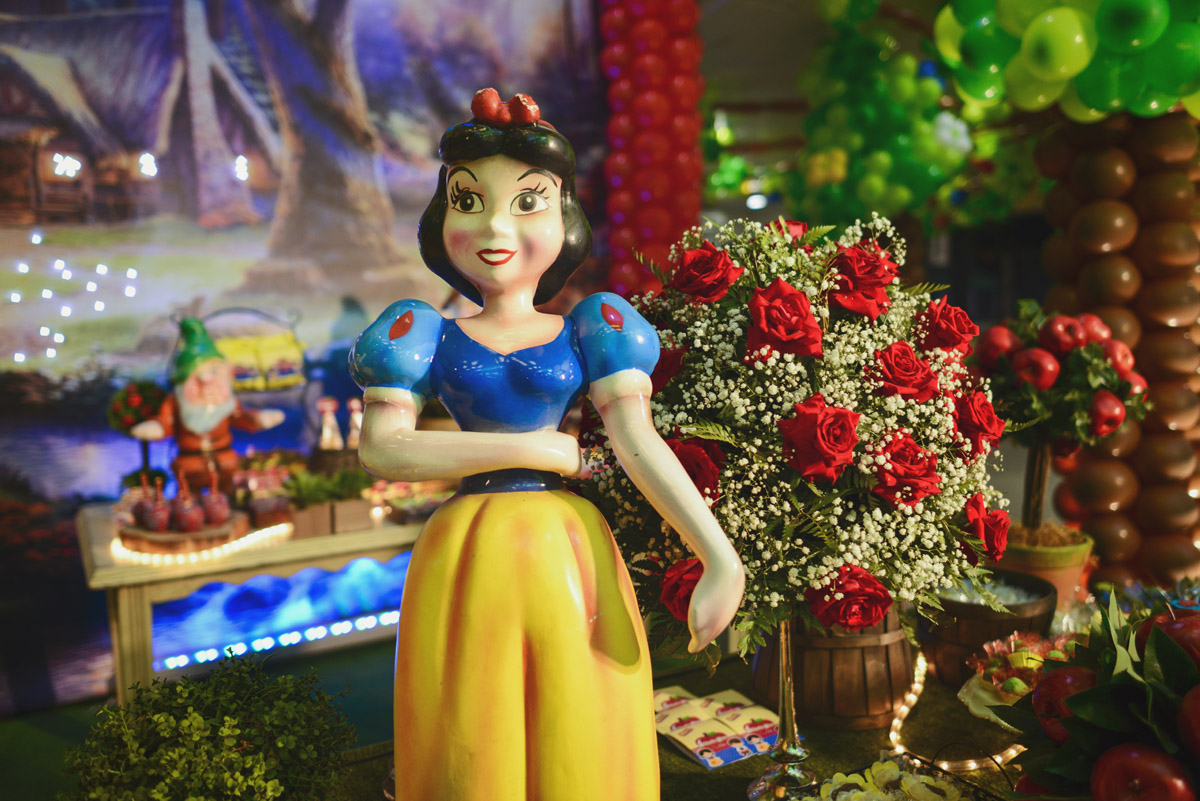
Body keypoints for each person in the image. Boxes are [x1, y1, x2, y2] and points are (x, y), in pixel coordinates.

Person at [350, 88, 745, 801]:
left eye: (527, 202)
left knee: (578, 721)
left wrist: (719, 555)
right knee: (473, 728)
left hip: (566, 547)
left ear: (564, 217)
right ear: (443, 215)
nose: (495, 225)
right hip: (466, 549)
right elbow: (384, 449)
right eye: (470, 201)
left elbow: (638, 442)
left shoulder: (592, 324)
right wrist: (540, 451)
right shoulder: (422, 330)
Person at [132, 317, 283, 495]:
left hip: (225, 464)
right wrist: (156, 427)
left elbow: (240, 417)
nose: (205, 380)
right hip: (189, 466)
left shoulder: (226, 402)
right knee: (188, 502)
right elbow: (166, 423)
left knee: (227, 498)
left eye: (213, 371)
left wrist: (258, 419)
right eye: (195, 375)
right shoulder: (176, 402)